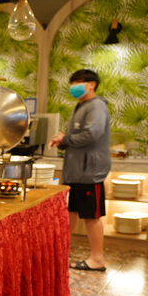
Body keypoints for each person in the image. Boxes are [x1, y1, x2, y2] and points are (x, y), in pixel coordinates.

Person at [49, 69, 111, 271]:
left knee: (91, 217)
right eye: (72, 82)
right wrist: (63, 141)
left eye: (78, 82)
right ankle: (62, 254)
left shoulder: (97, 106)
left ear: (92, 84)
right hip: (76, 172)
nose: (73, 86)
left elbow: (92, 134)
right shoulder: (81, 105)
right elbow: (78, 136)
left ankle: (97, 259)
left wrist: (65, 139)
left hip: (89, 172)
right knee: (71, 213)